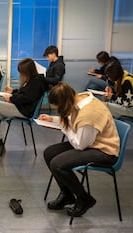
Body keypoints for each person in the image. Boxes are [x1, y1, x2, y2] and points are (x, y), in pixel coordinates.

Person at [40, 82, 119, 218]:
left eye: (59, 107)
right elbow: (71, 120)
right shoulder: (79, 98)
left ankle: (84, 198)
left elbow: (79, 144)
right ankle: (67, 195)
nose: (59, 109)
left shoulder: (89, 114)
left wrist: (64, 127)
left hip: (104, 151)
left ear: (64, 103)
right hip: (91, 143)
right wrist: (53, 120)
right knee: (49, 153)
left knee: (57, 164)